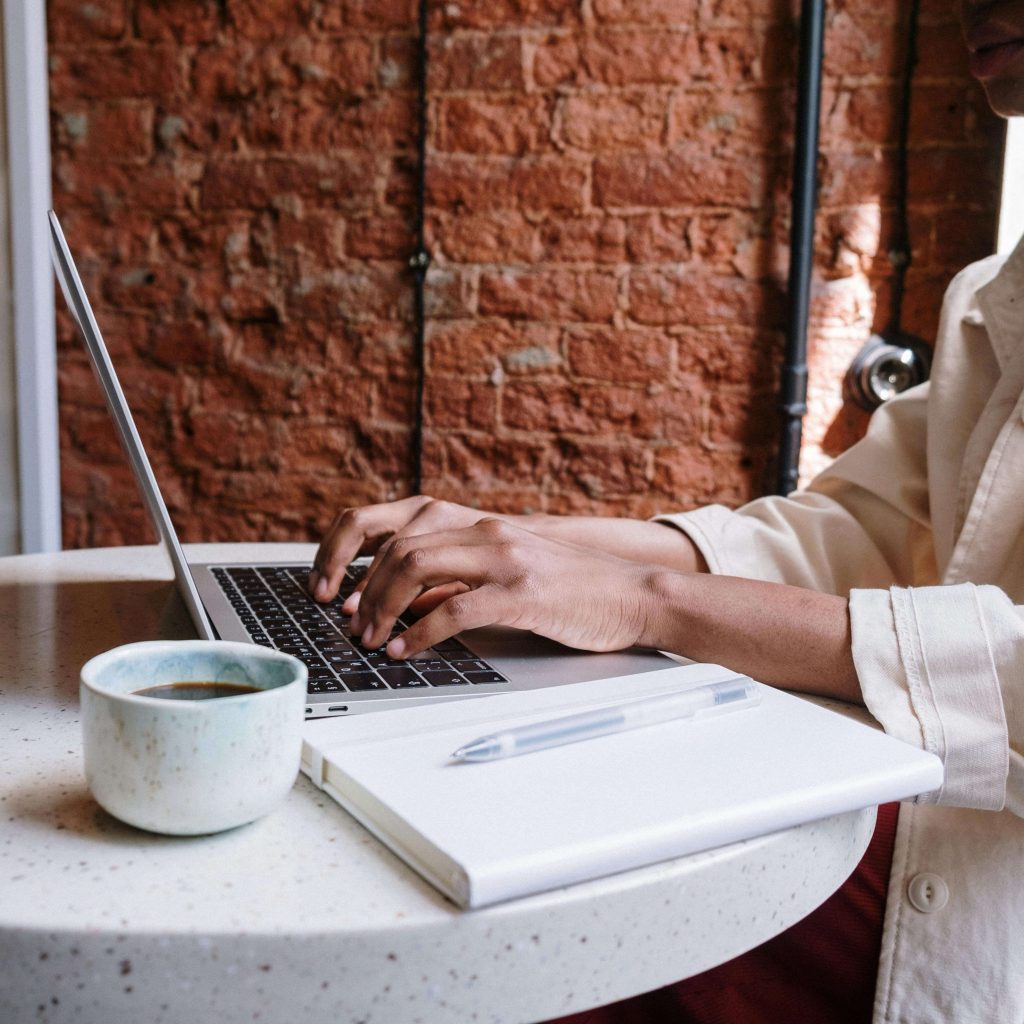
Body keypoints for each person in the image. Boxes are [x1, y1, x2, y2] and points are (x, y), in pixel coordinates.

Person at [307, 2, 1024, 1021]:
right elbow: (845, 534)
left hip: (970, 887)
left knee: (511, 935)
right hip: (907, 818)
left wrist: (650, 604)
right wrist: (528, 545)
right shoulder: (993, 294)